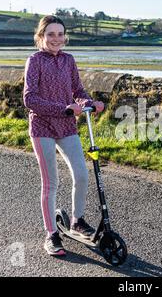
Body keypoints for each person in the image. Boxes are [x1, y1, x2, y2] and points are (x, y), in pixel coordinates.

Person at [23, 15, 105, 256]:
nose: (56, 39)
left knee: (81, 175)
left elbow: (77, 90)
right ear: (41, 37)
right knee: (51, 184)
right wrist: (63, 108)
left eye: (60, 34)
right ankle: (51, 235)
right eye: (51, 34)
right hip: (43, 127)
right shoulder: (35, 61)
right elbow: (30, 98)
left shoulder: (68, 60)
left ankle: (77, 221)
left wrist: (90, 102)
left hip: (67, 126)